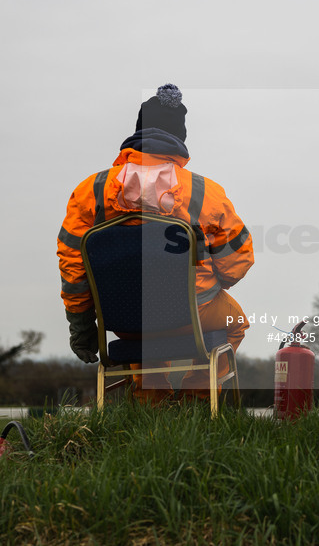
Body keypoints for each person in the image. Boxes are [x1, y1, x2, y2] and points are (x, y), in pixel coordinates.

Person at [57, 84, 254, 403]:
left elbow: (72, 272)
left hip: (123, 323)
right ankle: (198, 397)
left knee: (140, 323)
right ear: (180, 138)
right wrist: (211, 281)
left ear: (138, 132)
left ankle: (151, 401)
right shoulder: (206, 192)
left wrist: (82, 331)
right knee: (235, 322)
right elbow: (237, 263)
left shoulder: (88, 192)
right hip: (193, 318)